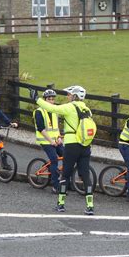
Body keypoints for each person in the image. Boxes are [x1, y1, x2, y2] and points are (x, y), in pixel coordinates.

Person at [30, 85, 95, 215]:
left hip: (72, 145)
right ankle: (90, 206)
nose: (67, 96)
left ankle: (61, 204)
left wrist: (36, 98)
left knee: (65, 174)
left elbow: (52, 108)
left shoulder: (69, 107)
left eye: (69, 94)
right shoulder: (87, 109)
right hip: (85, 145)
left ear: (74, 96)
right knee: (86, 175)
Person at [33, 89, 64, 193]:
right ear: (44, 100)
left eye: (52, 99)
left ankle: (64, 180)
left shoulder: (54, 111)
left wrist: (59, 137)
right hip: (46, 141)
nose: (51, 101)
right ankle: (55, 186)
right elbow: (41, 129)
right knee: (54, 159)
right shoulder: (39, 112)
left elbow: (57, 127)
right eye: (49, 99)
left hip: (55, 140)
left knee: (67, 156)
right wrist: (51, 141)